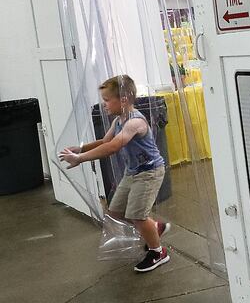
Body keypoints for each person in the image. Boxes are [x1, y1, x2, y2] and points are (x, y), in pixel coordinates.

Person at [59, 75, 171, 272]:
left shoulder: (135, 123)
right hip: (133, 173)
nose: (104, 105)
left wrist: (80, 159)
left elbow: (113, 147)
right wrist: (80, 149)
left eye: (107, 100)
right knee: (116, 212)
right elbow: (105, 142)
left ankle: (158, 252)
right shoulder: (118, 121)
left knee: (137, 215)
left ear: (124, 99)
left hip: (149, 173)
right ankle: (155, 228)